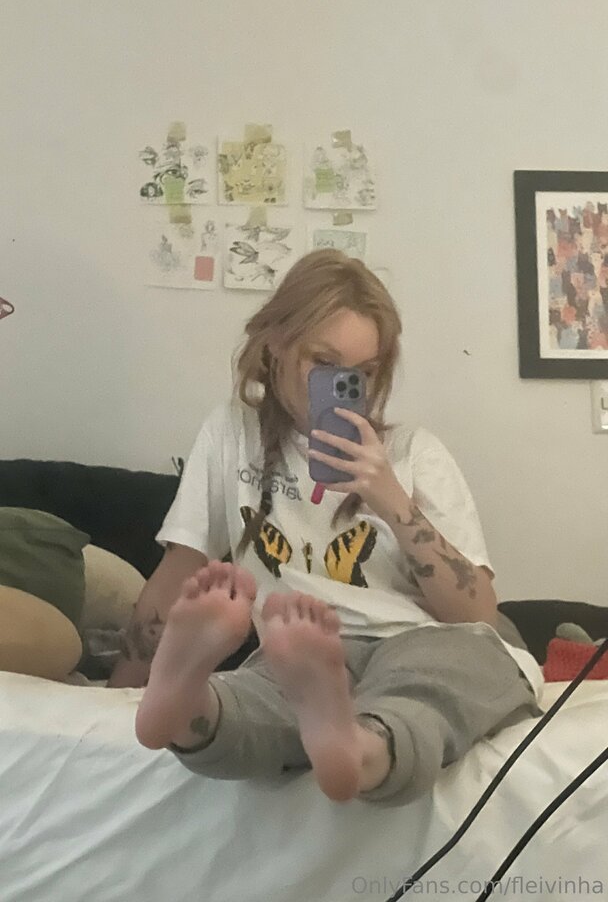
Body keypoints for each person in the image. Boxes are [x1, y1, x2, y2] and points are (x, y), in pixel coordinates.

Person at [115, 250, 543, 806]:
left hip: (421, 639)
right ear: (276, 343)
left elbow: (477, 614)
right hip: (301, 646)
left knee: (442, 676)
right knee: (261, 691)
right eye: (325, 362)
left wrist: (388, 495)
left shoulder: (414, 451)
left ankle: (338, 741)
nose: (345, 383)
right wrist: (121, 686)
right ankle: (190, 705)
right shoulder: (231, 433)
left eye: (363, 371)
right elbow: (181, 567)